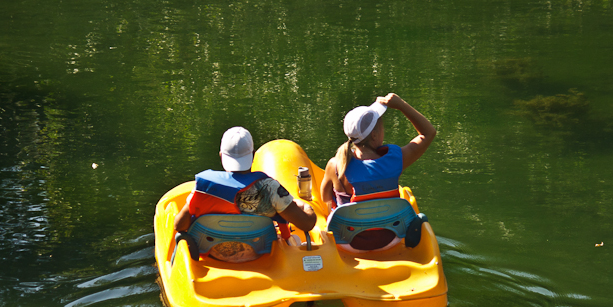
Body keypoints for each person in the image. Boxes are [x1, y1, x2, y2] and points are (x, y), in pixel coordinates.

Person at [174, 127, 316, 262]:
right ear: (253, 154)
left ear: (221, 155)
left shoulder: (203, 188)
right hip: (257, 254)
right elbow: (307, 224)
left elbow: (179, 225)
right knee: (295, 239)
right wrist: (307, 207)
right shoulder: (270, 188)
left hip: (215, 255)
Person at [320, 93, 436, 250]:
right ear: (374, 135)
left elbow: (325, 197)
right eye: (382, 126)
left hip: (349, 241)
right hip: (391, 239)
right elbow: (428, 133)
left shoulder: (335, 165)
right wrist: (401, 105)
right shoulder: (395, 160)